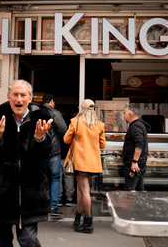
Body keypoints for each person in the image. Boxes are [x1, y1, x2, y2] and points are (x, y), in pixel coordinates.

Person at [0, 79, 53, 247]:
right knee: (2, 242)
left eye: (23, 95)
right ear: (8, 96)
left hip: (31, 197)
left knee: (29, 240)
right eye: (15, 94)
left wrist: (40, 139)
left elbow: (48, 153)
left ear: (30, 98)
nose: (19, 99)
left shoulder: (42, 118)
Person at [63, 99, 106, 234]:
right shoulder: (99, 125)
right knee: (82, 190)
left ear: (81, 109)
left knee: (85, 191)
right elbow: (103, 145)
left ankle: (88, 223)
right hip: (93, 163)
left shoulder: (75, 122)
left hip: (80, 161)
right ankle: (77, 219)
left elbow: (66, 139)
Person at [109, 104, 150, 191]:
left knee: (129, 190)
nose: (124, 116)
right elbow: (132, 140)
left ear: (130, 114)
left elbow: (139, 143)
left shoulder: (135, 126)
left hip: (134, 165)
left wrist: (134, 161)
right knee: (139, 190)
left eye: (124, 113)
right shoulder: (139, 124)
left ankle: (131, 205)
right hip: (139, 164)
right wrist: (120, 136)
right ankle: (139, 204)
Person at [42, 94, 67, 216]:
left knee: (40, 178)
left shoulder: (36, 112)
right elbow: (64, 131)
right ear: (52, 101)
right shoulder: (55, 113)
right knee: (55, 178)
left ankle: (40, 205)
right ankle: (53, 207)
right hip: (54, 151)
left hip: (39, 151)